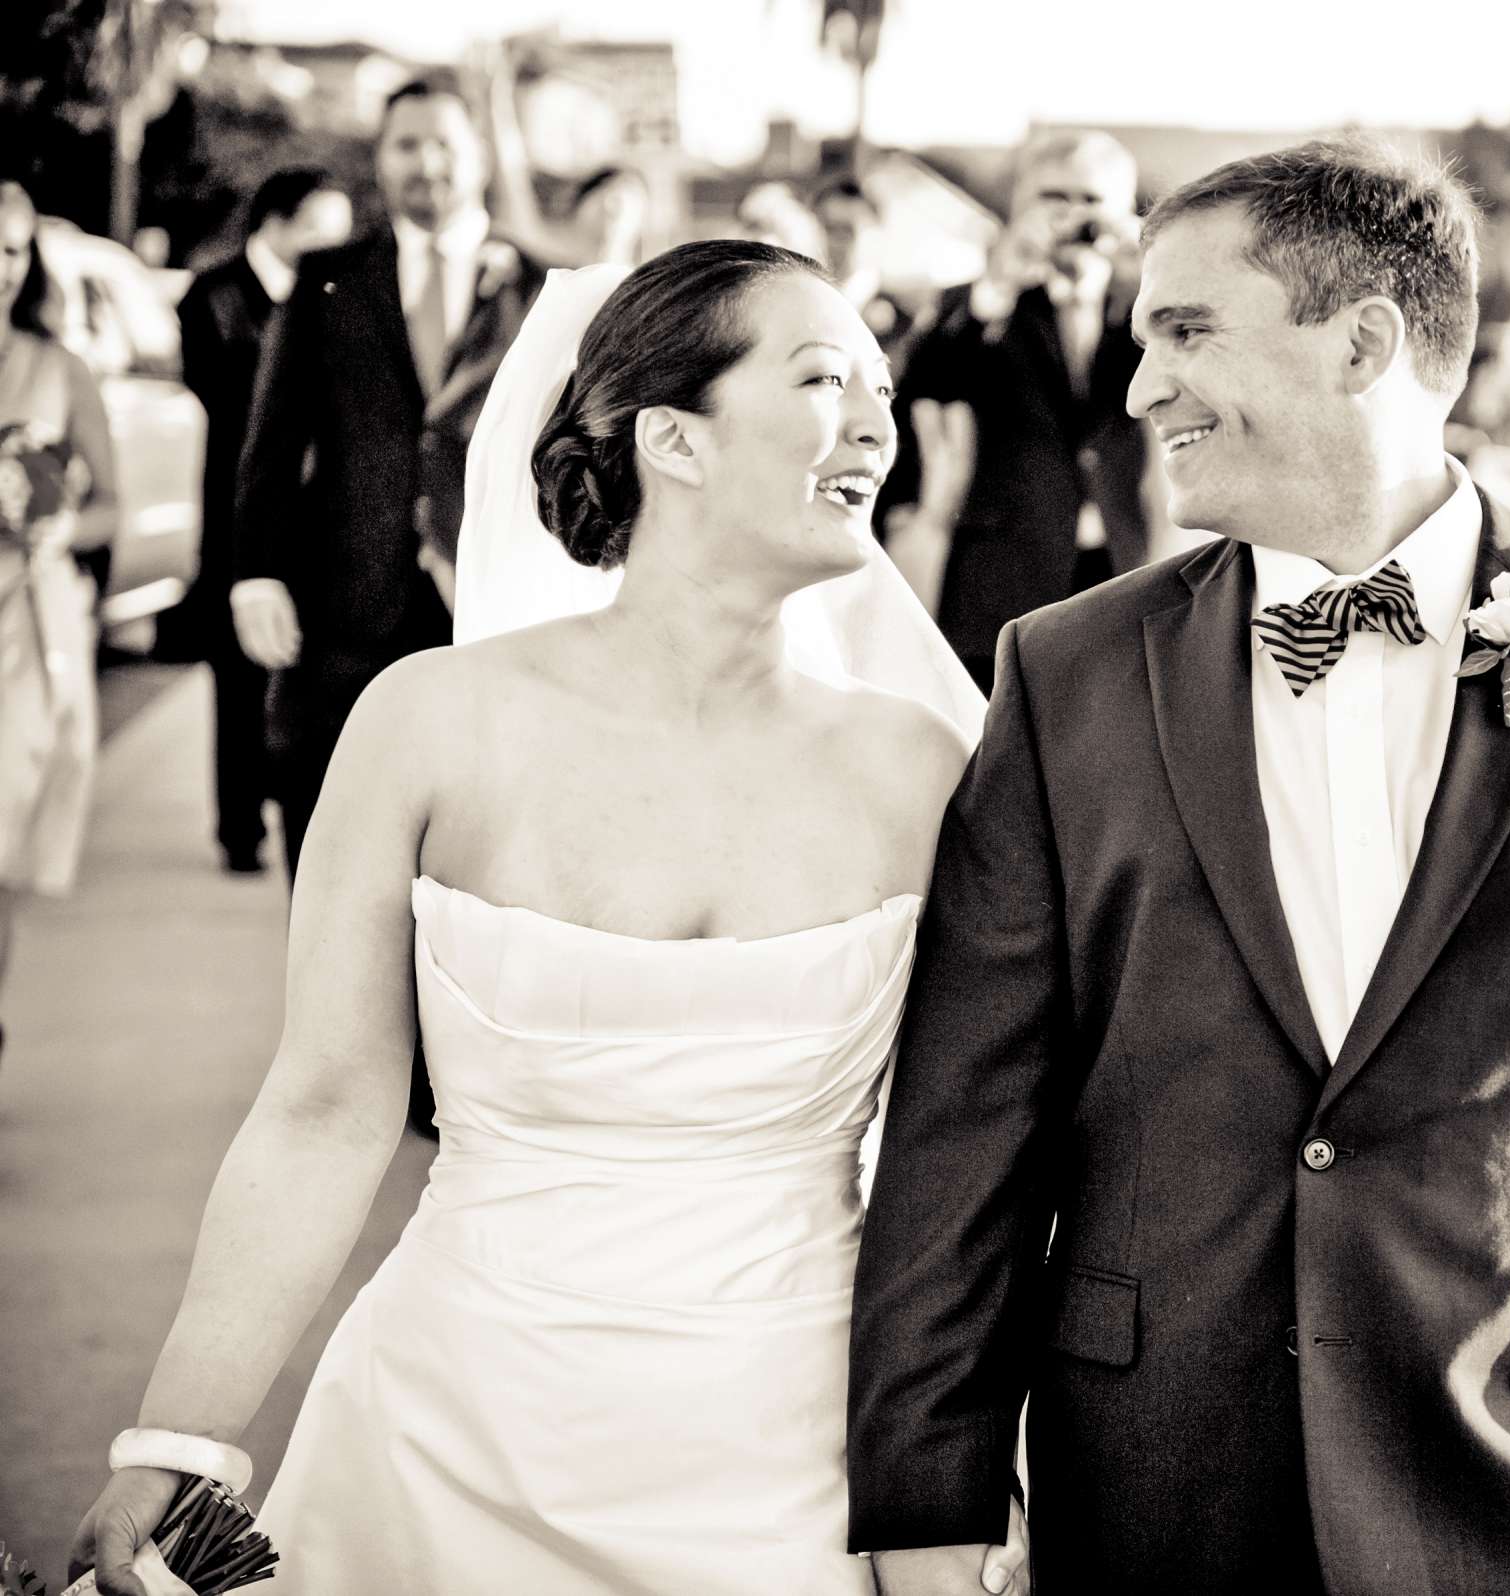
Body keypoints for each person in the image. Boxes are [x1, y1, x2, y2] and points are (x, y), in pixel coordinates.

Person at [848, 140, 1510, 1596]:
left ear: (1364, 342)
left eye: (1188, 332)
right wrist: (923, 1510)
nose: (1143, 390)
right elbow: (965, 1133)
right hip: (1162, 1499)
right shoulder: (1065, 677)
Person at [67, 242, 1009, 1595]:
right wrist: (179, 1436)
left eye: (878, 383)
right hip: (448, 1438)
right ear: (672, 439)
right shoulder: (428, 726)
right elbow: (326, 1106)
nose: (877, 422)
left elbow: (970, 1172)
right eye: (822, 379)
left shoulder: (921, 767)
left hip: (797, 1460)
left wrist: (963, 1492)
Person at [231, 79, 542, 886]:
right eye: (406, 144)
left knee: (479, 856)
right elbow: (272, 438)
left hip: (491, 608)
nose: (427, 162)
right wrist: (255, 570)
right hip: (345, 608)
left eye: (444, 142)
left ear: (478, 154)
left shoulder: (541, 287)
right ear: (381, 159)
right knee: (330, 844)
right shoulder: (330, 277)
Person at [878, 129, 1154, 692]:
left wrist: (1142, 270)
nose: (1074, 216)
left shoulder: (1144, 305)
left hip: (1123, 564)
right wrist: (999, 284)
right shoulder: (976, 304)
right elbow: (927, 385)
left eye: (1092, 201)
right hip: (1002, 573)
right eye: (1054, 198)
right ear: (1017, 208)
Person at [170, 167, 353, 875]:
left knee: (308, 673)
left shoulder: (339, 296)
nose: (331, 245)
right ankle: (239, 825)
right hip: (240, 511)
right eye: (318, 228)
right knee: (238, 674)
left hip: (324, 517)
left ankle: (300, 807)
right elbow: (231, 401)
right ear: (275, 224)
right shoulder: (213, 295)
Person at [0, 181, 120, 1067]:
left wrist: (52, 525)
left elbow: (111, 506)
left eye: (10, 251)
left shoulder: (59, 369)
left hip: (22, 628)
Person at [809, 172, 921, 368]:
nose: (835, 241)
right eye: (828, 228)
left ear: (877, 233)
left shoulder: (906, 316)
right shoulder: (800, 300)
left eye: (847, 229)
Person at [567, 165, 650, 268]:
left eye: (630, 192)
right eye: (605, 190)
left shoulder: (636, 280)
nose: (610, 204)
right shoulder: (557, 276)